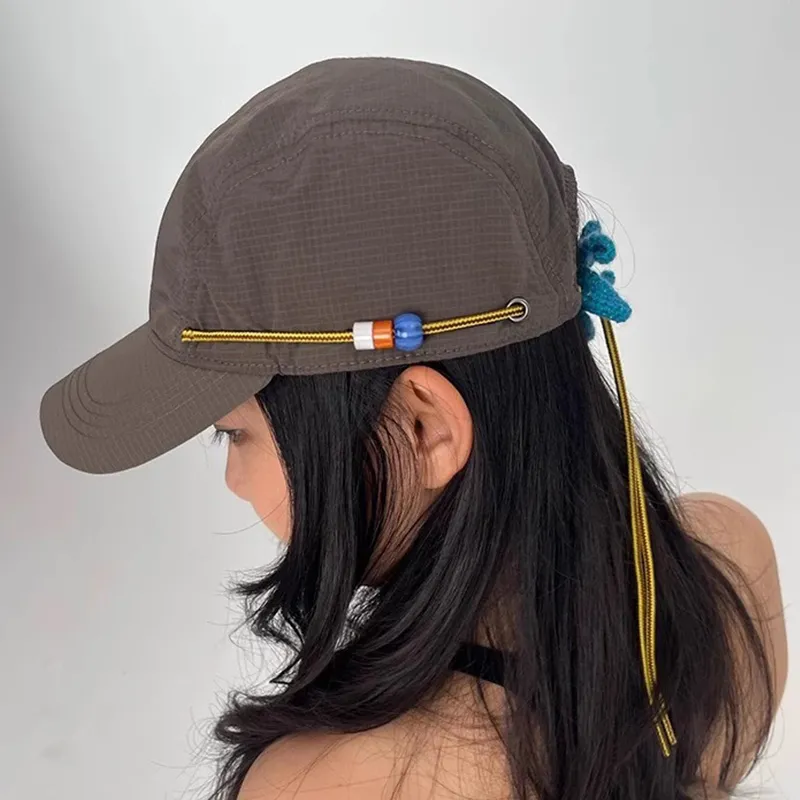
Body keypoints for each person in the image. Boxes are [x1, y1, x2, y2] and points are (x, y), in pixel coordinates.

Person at [39, 57, 787, 800]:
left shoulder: (325, 785)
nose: (234, 479)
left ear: (425, 429)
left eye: (234, 433)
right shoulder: (728, 572)